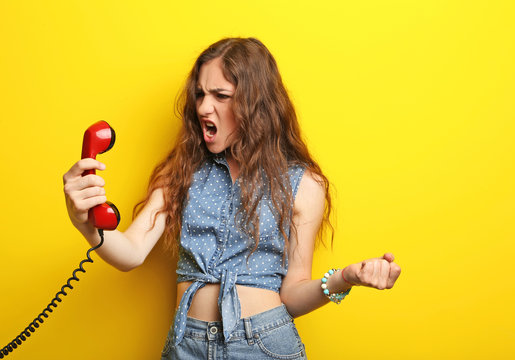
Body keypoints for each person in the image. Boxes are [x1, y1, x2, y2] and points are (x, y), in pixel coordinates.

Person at [63, 37, 401, 359]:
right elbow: (131, 252)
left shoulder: (304, 183)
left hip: (265, 344)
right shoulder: (181, 172)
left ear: (256, 104)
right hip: (188, 344)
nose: (203, 107)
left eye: (220, 95)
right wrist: (86, 222)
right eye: (199, 94)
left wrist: (346, 278)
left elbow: (292, 295)